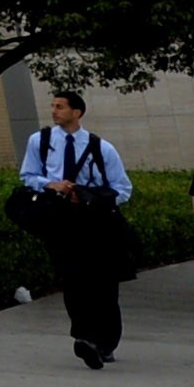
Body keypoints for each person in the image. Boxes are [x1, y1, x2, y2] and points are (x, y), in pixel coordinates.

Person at [20, 87, 138, 368]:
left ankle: (106, 341)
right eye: (53, 105)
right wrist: (51, 184)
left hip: (97, 223)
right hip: (61, 221)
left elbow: (123, 189)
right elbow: (28, 176)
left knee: (104, 283)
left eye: (60, 106)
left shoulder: (101, 147)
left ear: (77, 112)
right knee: (73, 281)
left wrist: (90, 197)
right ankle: (84, 337)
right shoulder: (41, 141)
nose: (54, 111)